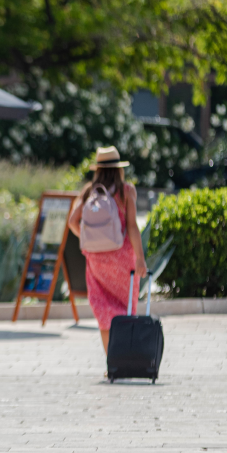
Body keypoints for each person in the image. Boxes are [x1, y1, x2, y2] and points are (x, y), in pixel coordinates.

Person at [68, 146, 147, 355]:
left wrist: (90, 241)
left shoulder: (89, 191)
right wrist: (140, 258)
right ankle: (126, 358)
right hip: (122, 257)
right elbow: (131, 226)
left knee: (104, 311)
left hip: (96, 261)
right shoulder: (126, 191)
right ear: (119, 169)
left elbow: (72, 221)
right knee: (125, 307)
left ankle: (111, 360)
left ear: (97, 169)